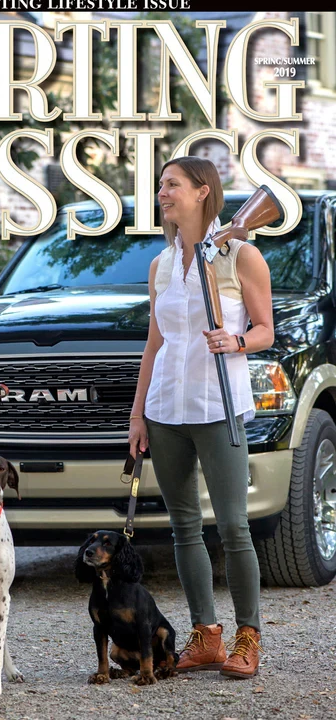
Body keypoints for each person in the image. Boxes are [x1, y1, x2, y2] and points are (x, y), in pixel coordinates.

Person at [128, 156, 274, 679]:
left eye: (171, 185)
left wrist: (236, 340)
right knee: (183, 527)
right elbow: (155, 342)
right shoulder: (160, 264)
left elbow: (265, 331)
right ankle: (205, 635)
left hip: (219, 407)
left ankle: (247, 637)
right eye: (161, 184)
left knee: (234, 526)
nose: (162, 193)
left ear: (202, 191)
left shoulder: (240, 256)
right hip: (167, 409)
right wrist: (138, 413)